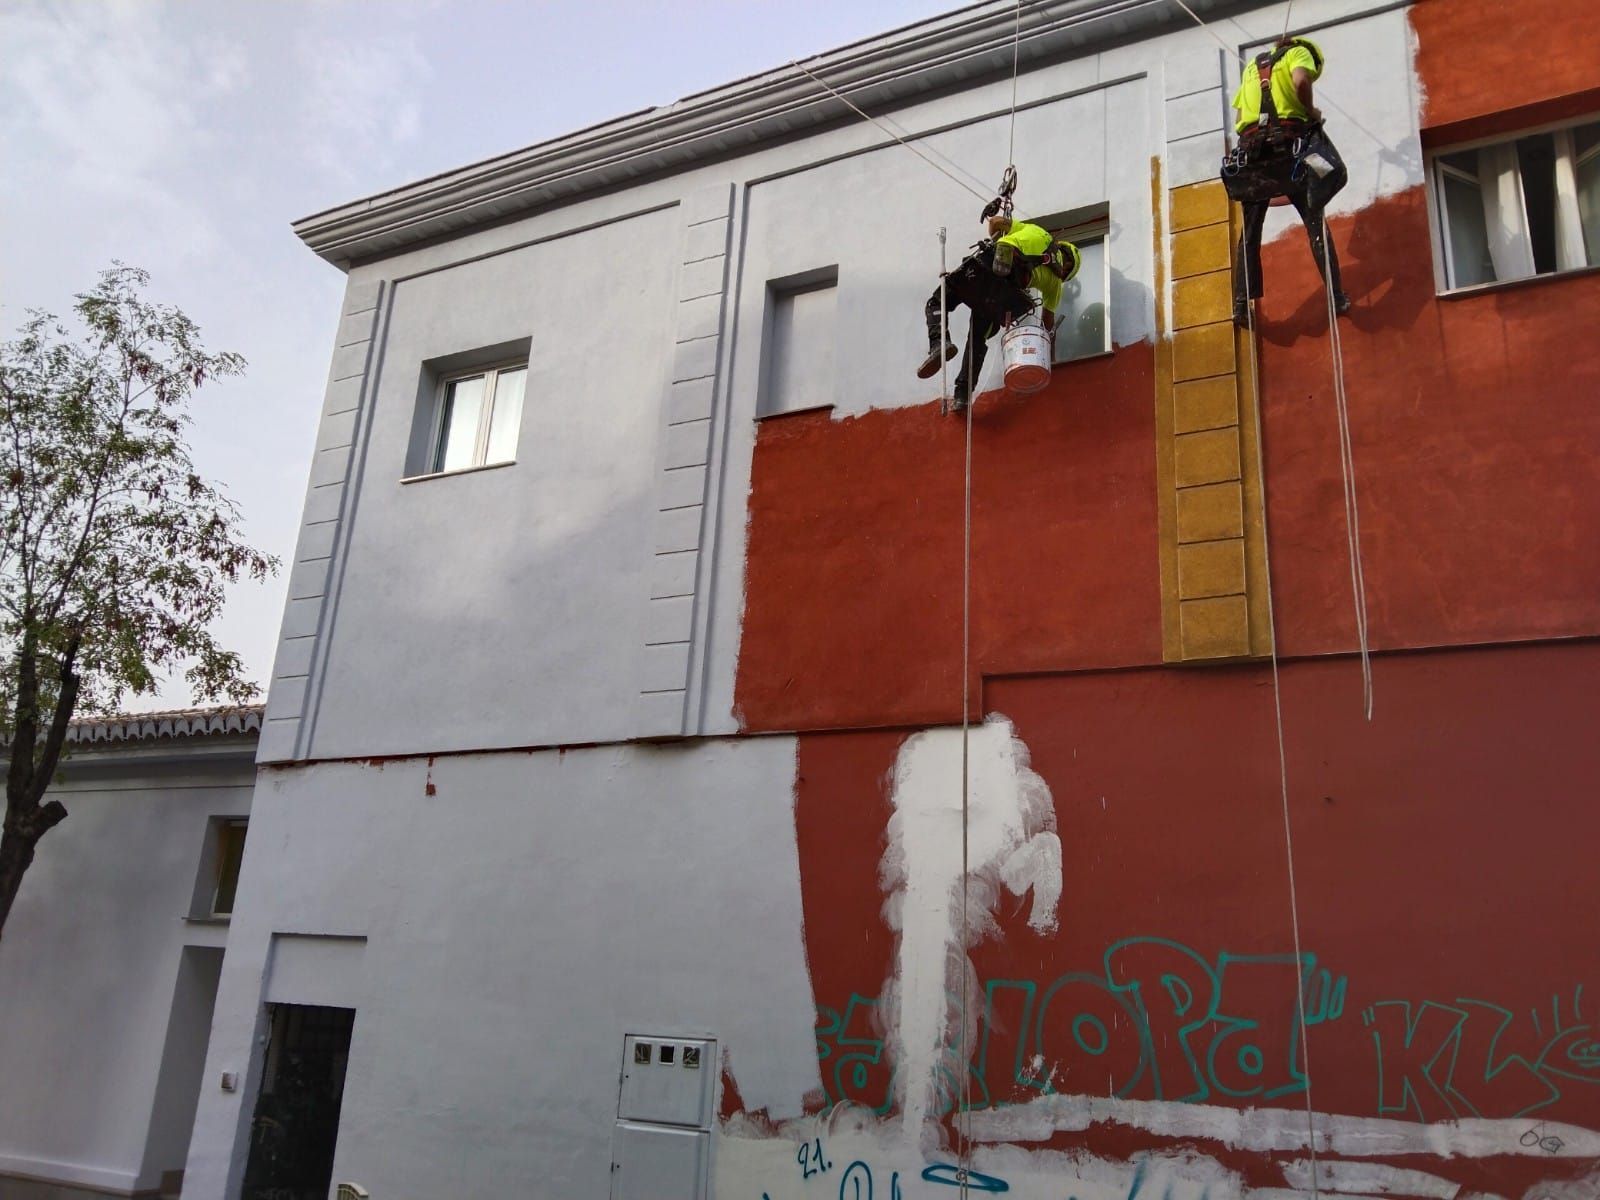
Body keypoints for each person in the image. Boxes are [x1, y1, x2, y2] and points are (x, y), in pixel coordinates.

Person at [1227, 35, 1350, 327]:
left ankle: (1241, 305)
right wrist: (1311, 113)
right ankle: (1336, 296)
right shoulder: (1300, 53)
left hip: (1253, 156)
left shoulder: (1251, 69)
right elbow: (1301, 82)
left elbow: (1240, 116)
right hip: (1292, 152)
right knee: (1317, 214)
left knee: (1250, 232)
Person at [918, 214, 1081, 411]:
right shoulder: (1055, 284)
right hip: (1005, 293)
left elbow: (995, 222)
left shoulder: (1036, 230)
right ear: (1068, 268)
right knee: (978, 338)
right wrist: (1049, 360)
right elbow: (1047, 324)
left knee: (936, 303)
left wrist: (997, 235)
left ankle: (939, 344)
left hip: (986, 267)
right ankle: (962, 395)